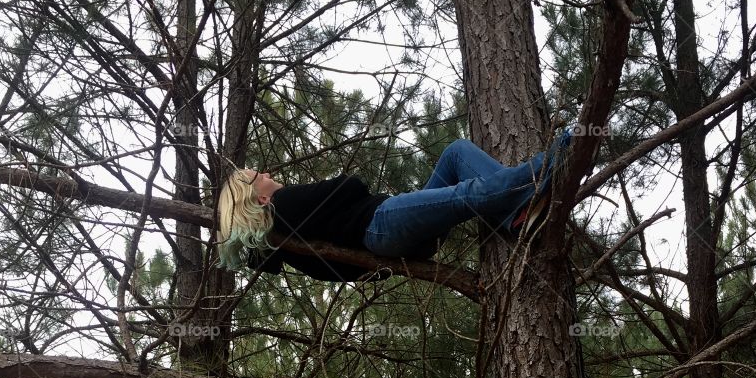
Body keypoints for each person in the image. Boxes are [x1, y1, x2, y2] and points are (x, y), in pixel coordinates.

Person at [215, 129, 573, 281]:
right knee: (465, 194)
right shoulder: (285, 203)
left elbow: (335, 270)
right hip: (382, 224)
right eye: (256, 175)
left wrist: (381, 268)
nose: (265, 172)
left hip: (398, 248)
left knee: (455, 156)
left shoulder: (284, 243)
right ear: (260, 197)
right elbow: (350, 185)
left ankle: (516, 217)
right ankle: (552, 162)